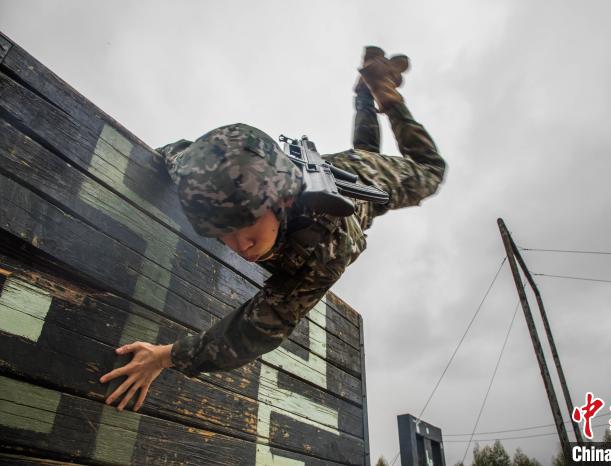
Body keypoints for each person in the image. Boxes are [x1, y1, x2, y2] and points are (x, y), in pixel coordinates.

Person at [100, 46, 447, 412]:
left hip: (374, 182)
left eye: (247, 228)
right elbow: (179, 153)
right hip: (341, 168)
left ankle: (387, 97)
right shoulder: (209, 180)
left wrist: (165, 356)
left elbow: (253, 332)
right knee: (364, 149)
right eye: (223, 234)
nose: (240, 246)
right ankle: (366, 90)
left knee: (431, 170)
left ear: (280, 199)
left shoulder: (325, 248)